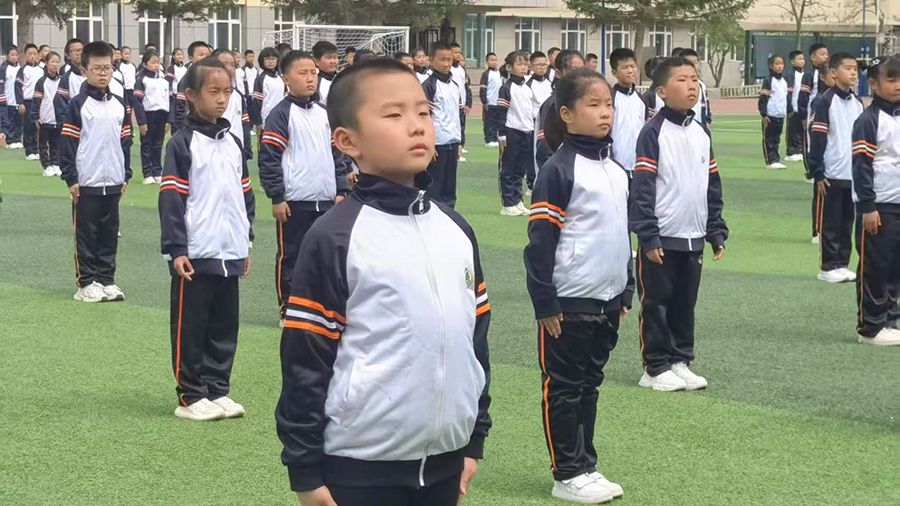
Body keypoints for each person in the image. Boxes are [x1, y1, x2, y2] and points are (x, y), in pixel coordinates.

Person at [275, 57, 492, 506]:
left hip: (446, 462)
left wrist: (473, 439)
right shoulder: (335, 237)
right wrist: (305, 472)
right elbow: (305, 361)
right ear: (347, 141)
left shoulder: (456, 229)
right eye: (394, 115)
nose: (416, 126)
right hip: (359, 469)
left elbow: (474, 342)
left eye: (424, 112)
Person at [524, 69, 630, 505]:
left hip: (608, 299)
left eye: (608, 105)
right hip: (569, 300)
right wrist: (545, 301)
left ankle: (586, 465)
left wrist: (626, 289)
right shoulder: (558, 169)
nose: (605, 113)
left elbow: (621, 234)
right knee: (564, 388)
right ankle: (567, 473)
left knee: (589, 385)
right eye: (593, 105)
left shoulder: (616, 169)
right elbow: (540, 242)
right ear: (566, 114)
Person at [159, 58, 255, 421]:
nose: (222, 99)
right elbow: (172, 199)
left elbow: (245, 196)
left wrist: (245, 241)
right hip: (196, 252)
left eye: (227, 91)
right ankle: (191, 395)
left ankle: (218, 389)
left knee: (224, 326)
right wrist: (176, 249)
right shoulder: (182, 143)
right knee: (191, 325)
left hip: (230, 250)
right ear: (190, 94)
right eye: (213, 91)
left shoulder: (233, 142)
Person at [630, 57, 728, 392]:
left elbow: (711, 184)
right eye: (682, 80)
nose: (692, 86)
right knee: (656, 303)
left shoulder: (701, 132)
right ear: (661, 91)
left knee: (685, 304)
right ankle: (654, 367)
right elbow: (643, 188)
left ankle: (679, 361)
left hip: (693, 235)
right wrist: (648, 235)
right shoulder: (652, 132)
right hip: (662, 236)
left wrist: (715, 229)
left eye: (694, 79)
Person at [258, 50, 351, 322]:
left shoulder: (325, 113)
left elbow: (337, 155)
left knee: (326, 257)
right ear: (286, 79)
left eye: (313, 73)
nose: (310, 79)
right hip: (295, 202)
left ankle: (322, 308)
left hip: (327, 200)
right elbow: (269, 158)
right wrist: (277, 197)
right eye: (303, 73)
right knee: (292, 256)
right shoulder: (280, 114)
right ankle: (288, 308)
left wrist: (341, 190)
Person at [60, 41, 133, 303]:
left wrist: (125, 175)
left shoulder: (120, 104)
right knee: (86, 234)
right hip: (86, 182)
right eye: (97, 68)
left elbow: (126, 142)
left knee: (109, 234)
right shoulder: (77, 104)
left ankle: (106, 280)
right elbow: (67, 143)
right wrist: (71, 178)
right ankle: (86, 283)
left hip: (113, 180)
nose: (103, 73)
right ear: (85, 70)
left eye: (107, 68)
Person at [851, 55, 900, 346]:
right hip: (879, 206)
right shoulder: (868, 120)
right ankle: (870, 327)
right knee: (875, 267)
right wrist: (868, 205)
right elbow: (861, 166)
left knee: (895, 267)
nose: (898, 85)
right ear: (873, 84)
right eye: (891, 79)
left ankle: (891, 320)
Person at [809, 52, 864, 284]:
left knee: (846, 223)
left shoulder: (858, 103)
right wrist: (817, 170)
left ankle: (842, 264)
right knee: (830, 223)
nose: (853, 73)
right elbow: (817, 138)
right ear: (833, 73)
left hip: (852, 173)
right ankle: (828, 266)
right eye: (847, 68)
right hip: (830, 173)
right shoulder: (824, 101)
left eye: (855, 69)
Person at [422, 42, 462, 208]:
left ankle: (449, 215)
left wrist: (460, 141)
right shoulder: (428, 86)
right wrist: (429, 143)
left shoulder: (455, 85)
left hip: (452, 142)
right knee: (434, 187)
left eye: (449, 59)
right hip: (437, 145)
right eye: (442, 60)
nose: (446, 64)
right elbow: (423, 117)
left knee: (450, 188)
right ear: (431, 60)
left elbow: (458, 116)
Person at [496, 51, 534, 216]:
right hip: (512, 131)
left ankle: (518, 201)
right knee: (508, 168)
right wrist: (502, 135)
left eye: (525, 64)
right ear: (509, 67)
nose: (523, 67)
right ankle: (507, 203)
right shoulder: (506, 88)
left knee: (520, 169)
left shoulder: (527, 88)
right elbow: (500, 113)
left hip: (526, 131)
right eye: (519, 64)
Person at [800, 43, 830, 243]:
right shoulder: (812, 78)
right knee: (821, 185)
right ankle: (817, 230)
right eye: (822, 54)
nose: (825, 56)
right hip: (814, 122)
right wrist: (804, 115)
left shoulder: (852, 100)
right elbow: (803, 97)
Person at [536, 50, 585, 169]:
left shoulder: (583, 101)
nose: (580, 76)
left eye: (583, 71)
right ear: (558, 73)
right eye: (574, 70)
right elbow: (545, 148)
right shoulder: (553, 105)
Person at [133, 50, 170, 184]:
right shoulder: (141, 80)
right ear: (145, 64)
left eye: (157, 62)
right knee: (146, 144)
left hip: (162, 114)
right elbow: (137, 102)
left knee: (158, 144)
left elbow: (169, 100)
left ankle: (157, 171)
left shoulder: (164, 81)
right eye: (153, 62)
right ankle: (147, 173)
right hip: (148, 114)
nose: (156, 65)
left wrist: (169, 120)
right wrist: (142, 122)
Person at [609, 48, 647, 174]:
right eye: (625, 67)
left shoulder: (641, 100)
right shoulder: (610, 99)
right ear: (615, 73)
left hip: (639, 165)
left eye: (633, 66)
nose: (630, 71)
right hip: (616, 164)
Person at [210, 49, 252, 160]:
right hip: (214, 154)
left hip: (237, 153)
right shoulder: (205, 95)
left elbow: (244, 124)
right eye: (224, 64)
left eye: (232, 65)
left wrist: (246, 149)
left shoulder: (238, 96)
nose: (229, 68)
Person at [31, 51, 62, 177]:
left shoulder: (62, 81)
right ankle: (46, 165)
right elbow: (36, 100)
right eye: (52, 62)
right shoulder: (41, 82)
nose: (55, 64)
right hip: (44, 118)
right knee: (43, 144)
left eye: (57, 62)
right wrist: (35, 116)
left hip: (58, 118)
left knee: (56, 143)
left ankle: (56, 164)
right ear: (47, 63)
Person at [172, 41, 212, 133]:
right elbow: (181, 108)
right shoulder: (187, 79)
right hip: (193, 126)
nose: (205, 57)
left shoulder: (212, 76)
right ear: (191, 58)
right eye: (201, 55)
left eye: (207, 55)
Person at [759, 54, 789, 170]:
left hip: (780, 114)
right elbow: (763, 98)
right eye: (777, 64)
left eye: (781, 64)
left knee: (776, 139)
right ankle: (770, 161)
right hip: (770, 115)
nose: (780, 66)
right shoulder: (768, 81)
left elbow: (785, 97)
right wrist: (764, 114)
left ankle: (776, 159)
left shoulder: (784, 81)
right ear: (771, 66)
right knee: (769, 139)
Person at [528, 51, 553, 191]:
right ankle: (533, 183)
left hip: (549, 123)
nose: (542, 67)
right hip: (535, 123)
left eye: (544, 64)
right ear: (531, 66)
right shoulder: (529, 85)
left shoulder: (549, 84)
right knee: (535, 153)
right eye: (539, 65)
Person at [15, 43, 43, 160]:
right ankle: (29, 150)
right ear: (25, 55)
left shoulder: (41, 70)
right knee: (29, 126)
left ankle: (37, 149)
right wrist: (20, 103)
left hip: (40, 102)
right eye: (30, 54)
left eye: (34, 54)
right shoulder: (23, 70)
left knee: (39, 126)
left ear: (38, 55)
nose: (32, 56)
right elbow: (18, 87)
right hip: (28, 102)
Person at [250, 47, 283, 128]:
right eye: (267, 59)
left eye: (273, 59)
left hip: (281, 119)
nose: (271, 61)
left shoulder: (281, 79)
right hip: (266, 120)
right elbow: (256, 102)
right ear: (262, 61)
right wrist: (258, 122)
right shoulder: (260, 79)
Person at [680, 48, 712, 127]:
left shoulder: (701, 85)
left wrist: (707, 120)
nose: (693, 65)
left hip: (698, 126)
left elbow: (705, 105)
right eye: (689, 62)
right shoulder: (677, 84)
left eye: (695, 62)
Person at [450, 43, 470, 162]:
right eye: (455, 52)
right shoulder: (449, 69)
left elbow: (465, 87)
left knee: (461, 129)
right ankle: (455, 153)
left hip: (461, 105)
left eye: (459, 52)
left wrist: (467, 103)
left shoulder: (462, 70)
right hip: (453, 105)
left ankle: (459, 151)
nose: (457, 55)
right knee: (454, 129)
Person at [785, 50, 806, 162]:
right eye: (799, 59)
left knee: (802, 130)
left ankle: (800, 150)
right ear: (792, 61)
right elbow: (788, 92)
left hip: (802, 107)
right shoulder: (789, 75)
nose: (802, 61)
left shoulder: (806, 74)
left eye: (803, 59)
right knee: (792, 130)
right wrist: (789, 107)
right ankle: (791, 152)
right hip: (793, 106)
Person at [1, 45, 22, 149]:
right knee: (9, 120)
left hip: (17, 100)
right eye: (12, 55)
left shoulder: (20, 68)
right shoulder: (4, 68)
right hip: (8, 99)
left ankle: (17, 139)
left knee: (18, 120)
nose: (14, 57)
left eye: (16, 55)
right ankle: (10, 140)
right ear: (7, 56)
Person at [479, 52, 502, 148]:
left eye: (495, 60)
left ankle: (495, 138)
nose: (494, 62)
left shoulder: (500, 73)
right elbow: (483, 89)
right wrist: (484, 101)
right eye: (491, 60)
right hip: (490, 102)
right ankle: (489, 139)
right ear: (487, 62)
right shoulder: (486, 74)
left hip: (499, 103)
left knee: (497, 122)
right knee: (489, 122)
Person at [312, 41, 340, 106]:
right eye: (328, 58)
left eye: (335, 57)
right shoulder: (314, 83)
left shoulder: (344, 78)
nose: (333, 61)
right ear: (317, 61)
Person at [166, 48, 187, 115]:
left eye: (181, 55)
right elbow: (169, 81)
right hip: (175, 94)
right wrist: (170, 93)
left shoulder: (185, 69)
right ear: (173, 56)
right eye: (178, 55)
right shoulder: (172, 68)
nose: (180, 56)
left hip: (183, 94)